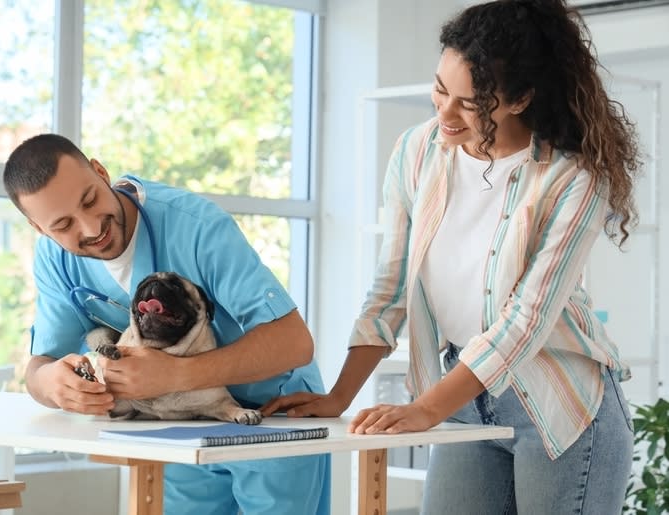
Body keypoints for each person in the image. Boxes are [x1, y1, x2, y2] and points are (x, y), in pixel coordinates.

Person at [262, 1, 639, 513]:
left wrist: (424, 409)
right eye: (441, 89)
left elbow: (525, 321)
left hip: (560, 407)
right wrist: (339, 396)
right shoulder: (418, 151)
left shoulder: (573, 179)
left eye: (470, 102)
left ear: (519, 98)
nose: (444, 113)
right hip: (463, 400)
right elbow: (391, 287)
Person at [2, 134, 330, 515]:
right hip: (175, 426)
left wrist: (175, 375)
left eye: (91, 200)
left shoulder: (196, 227)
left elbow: (294, 342)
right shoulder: (55, 260)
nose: (91, 228)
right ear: (39, 229)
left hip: (269, 413)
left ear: (100, 172)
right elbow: (40, 366)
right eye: (62, 225)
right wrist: (52, 385)